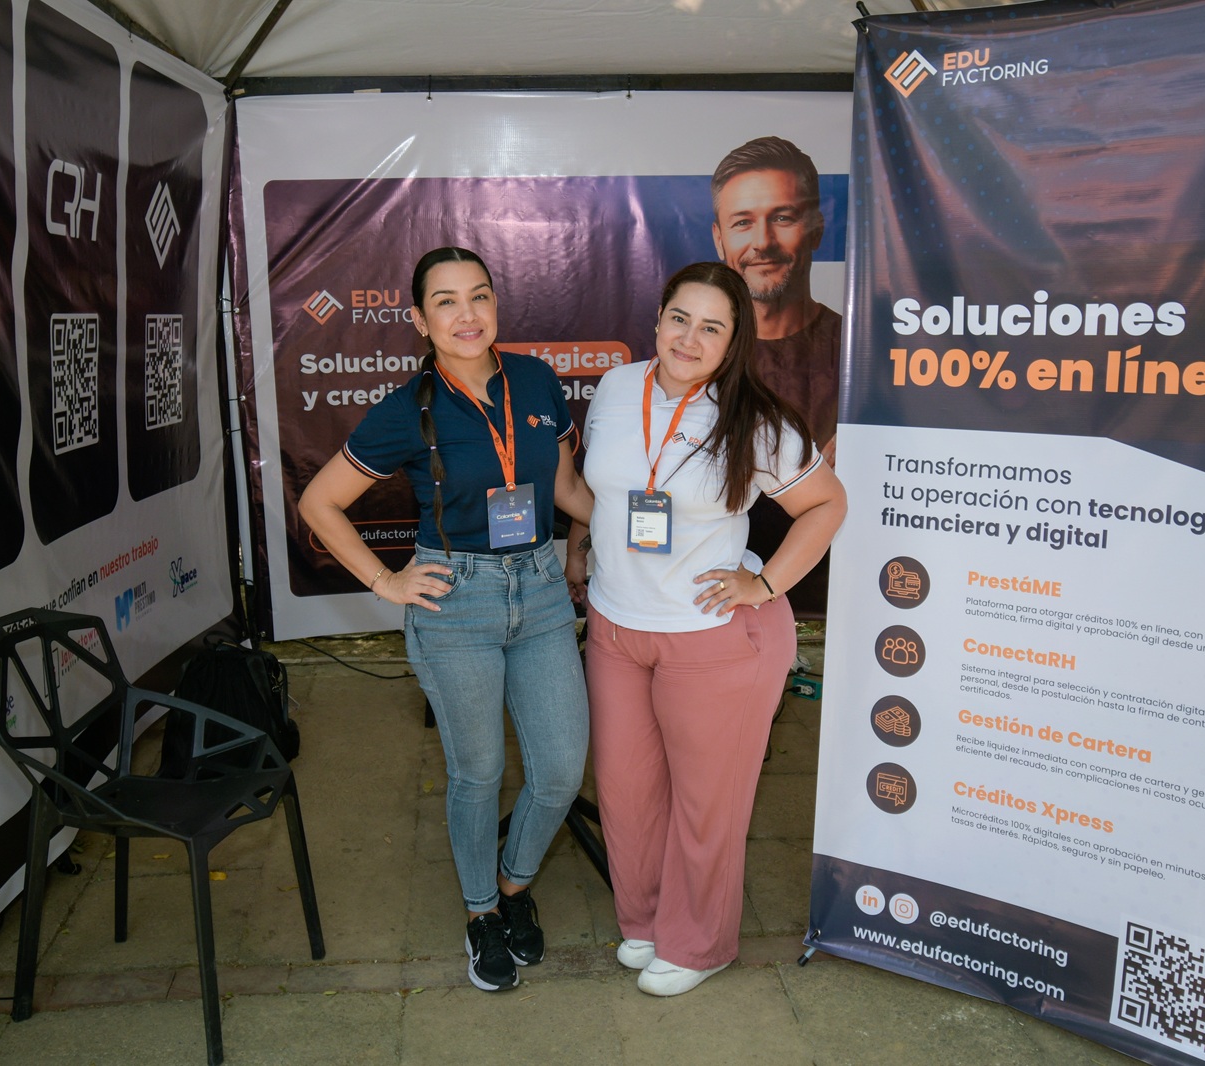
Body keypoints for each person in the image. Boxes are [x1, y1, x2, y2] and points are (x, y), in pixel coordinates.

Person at [298, 247, 594, 994]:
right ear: (419, 320)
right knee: (478, 772)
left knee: (561, 769)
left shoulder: (535, 380)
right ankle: (481, 911)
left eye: (480, 296)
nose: (468, 315)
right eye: (447, 301)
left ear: (497, 304)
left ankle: (515, 885)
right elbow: (318, 503)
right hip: (455, 601)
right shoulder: (407, 409)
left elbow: (565, 489)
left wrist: (636, 530)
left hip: (541, 591)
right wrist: (385, 581)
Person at [565, 262, 847, 996]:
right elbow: (605, 490)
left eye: (711, 328)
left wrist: (765, 582)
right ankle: (645, 919)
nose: (689, 339)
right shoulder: (617, 388)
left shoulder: (755, 418)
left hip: (712, 637)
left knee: (705, 803)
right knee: (626, 791)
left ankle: (700, 942)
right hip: (616, 628)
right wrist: (580, 548)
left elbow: (827, 505)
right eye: (679, 318)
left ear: (733, 342)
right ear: (657, 319)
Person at [712, 135, 844, 614]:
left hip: (836, 601)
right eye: (742, 222)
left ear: (816, 228)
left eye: (783, 218)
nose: (762, 242)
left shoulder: (865, 358)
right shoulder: (696, 359)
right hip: (713, 597)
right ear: (719, 238)